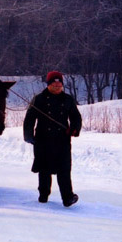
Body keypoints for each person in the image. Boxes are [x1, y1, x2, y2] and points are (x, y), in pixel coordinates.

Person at [23, 71, 82, 207]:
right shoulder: (39, 99)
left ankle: (67, 197)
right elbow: (29, 118)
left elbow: (75, 117)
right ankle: (43, 195)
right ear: (48, 84)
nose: (57, 86)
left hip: (62, 140)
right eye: (54, 84)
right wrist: (29, 136)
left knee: (64, 169)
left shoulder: (68, 99)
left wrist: (74, 129)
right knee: (44, 169)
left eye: (59, 84)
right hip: (43, 140)